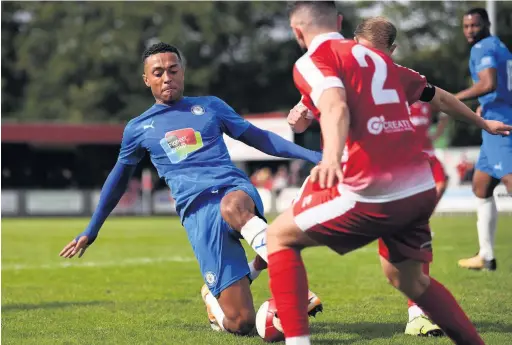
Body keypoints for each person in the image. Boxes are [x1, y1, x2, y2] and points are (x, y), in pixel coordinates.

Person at [267, 3, 512, 345]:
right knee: (412, 282)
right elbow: (438, 96)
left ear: (296, 32)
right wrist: (482, 122)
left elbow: (335, 105)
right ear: (340, 22)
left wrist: (331, 155)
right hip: (419, 188)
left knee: (278, 236)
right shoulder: (379, 60)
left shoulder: (312, 60)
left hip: (370, 190)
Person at [58, 42, 323, 336]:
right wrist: (92, 229)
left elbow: (258, 137)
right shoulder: (138, 128)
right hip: (197, 215)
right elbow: (118, 178)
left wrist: (311, 155)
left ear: (183, 72)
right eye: (157, 73)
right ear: (146, 79)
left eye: (173, 70)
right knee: (241, 323)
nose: (166, 77)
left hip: (231, 189)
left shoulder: (211, 106)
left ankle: (296, 290)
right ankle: (221, 293)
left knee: (235, 207)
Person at [455, 8, 512, 272]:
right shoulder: (499, 46)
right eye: (466, 26)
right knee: (481, 186)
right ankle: (486, 256)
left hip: (500, 125)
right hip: (493, 118)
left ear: (487, 24)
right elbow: (498, 87)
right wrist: (484, 105)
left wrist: (454, 98)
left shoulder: (483, 48)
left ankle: (486, 255)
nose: (469, 31)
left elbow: (488, 83)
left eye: (474, 26)